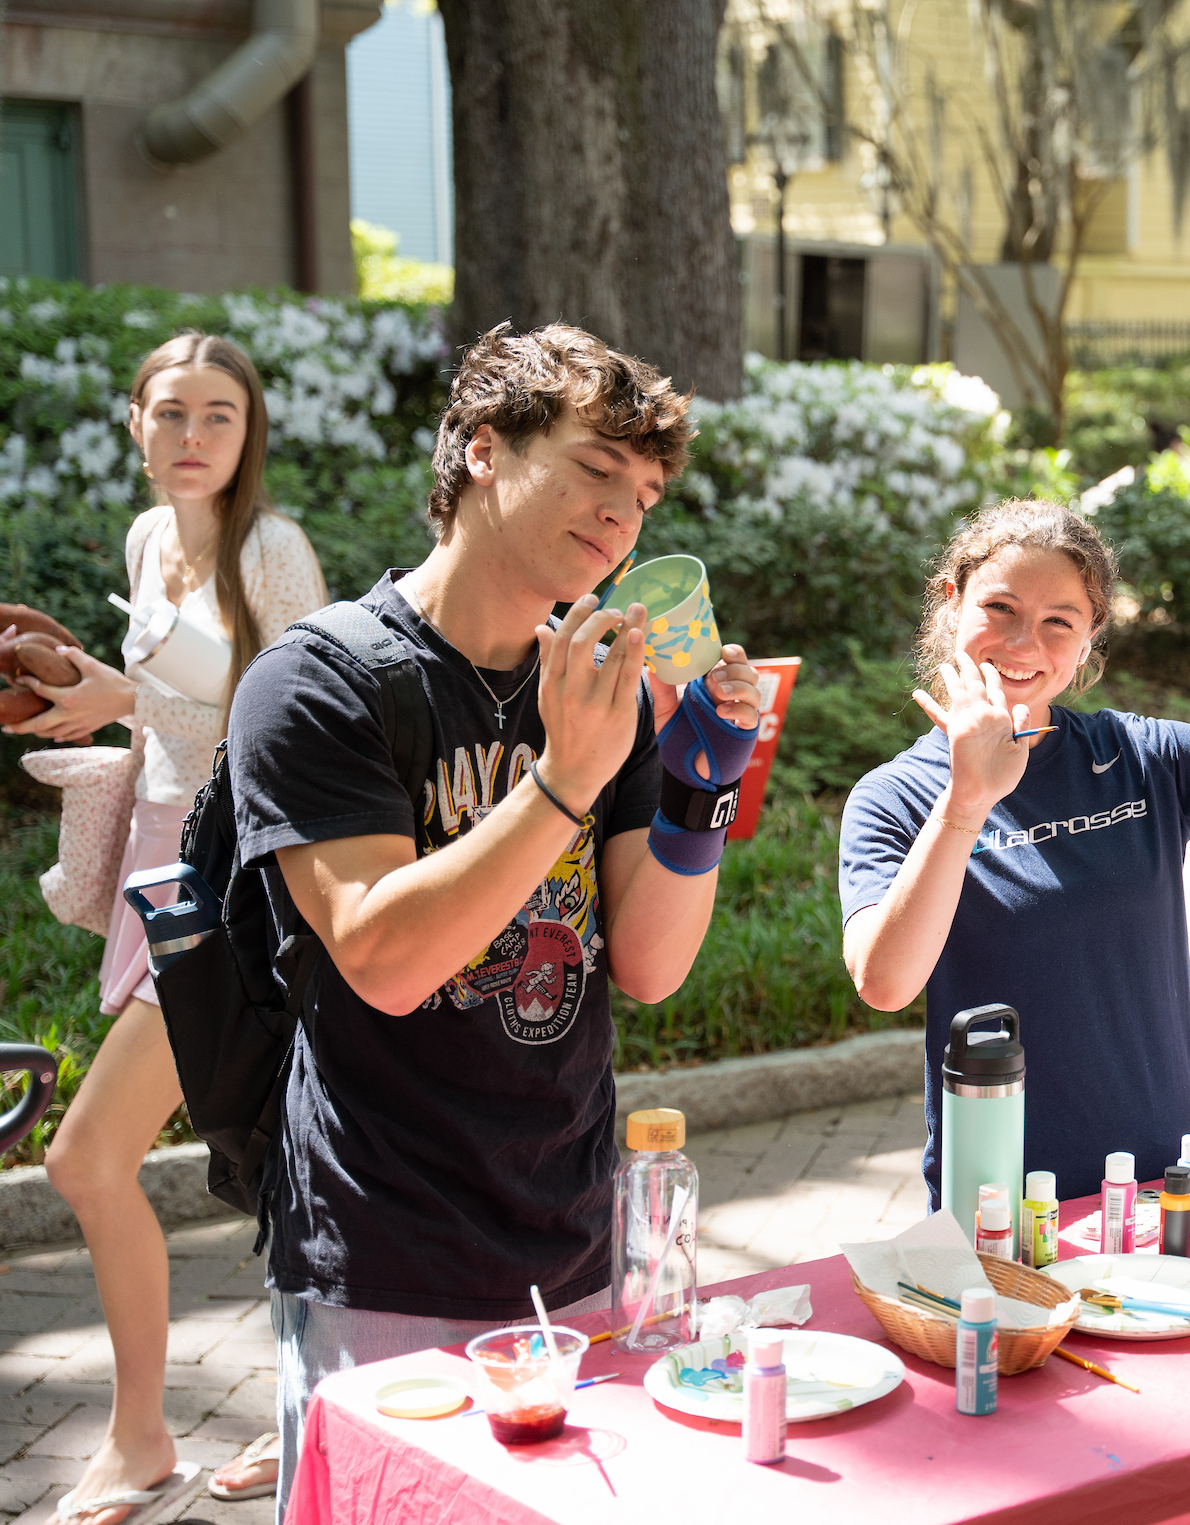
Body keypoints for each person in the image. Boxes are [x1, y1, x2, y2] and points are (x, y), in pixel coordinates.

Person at [222, 323, 762, 1520]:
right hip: (385, 1257)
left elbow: (657, 963)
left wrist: (701, 778)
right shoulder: (321, 681)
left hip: (575, 1247)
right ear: (481, 450)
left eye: (646, 492)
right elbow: (384, 957)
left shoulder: (597, 683)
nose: (624, 515)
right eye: (592, 471)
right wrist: (564, 780)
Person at [839, 500, 1190, 1203]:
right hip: (999, 1193)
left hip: (1164, 1179)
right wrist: (966, 802)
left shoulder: (1140, 756)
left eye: (1058, 622)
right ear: (953, 603)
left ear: (1089, 636)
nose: (1023, 643)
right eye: (1000, 608)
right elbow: (883, 984)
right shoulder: (894, 797)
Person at [8, 334, 326, 1525]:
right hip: (160, 868)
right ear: (135, 423)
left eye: (221, 416)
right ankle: (299, 1414)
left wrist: (127, 695)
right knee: (280, 1158)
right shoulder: (151, 541)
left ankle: (145, 1438)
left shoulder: (269, 550)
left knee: (87, 1158)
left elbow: (302, 710)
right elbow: (179, 705)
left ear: (251, 435)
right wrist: (93, 697)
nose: (193, 437)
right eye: (171, 413)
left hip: (241, 885)